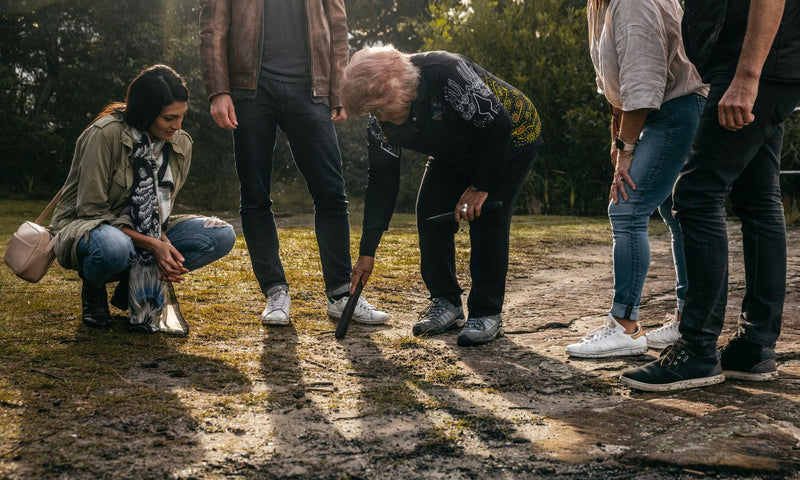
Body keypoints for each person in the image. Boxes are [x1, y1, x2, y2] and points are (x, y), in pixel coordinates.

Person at [621, 0, 800, 391]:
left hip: (754, 64)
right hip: (758, 62)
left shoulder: (751, 67)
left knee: (696, 193)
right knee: (757, 198)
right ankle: (754, 347)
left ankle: (698, 350)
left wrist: (748, 76)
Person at [198, 0, 388, 327]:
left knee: (331, 193)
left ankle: (341, 294)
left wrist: (338, 89)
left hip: (309, 88)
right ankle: (275, 292)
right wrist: (218, 90)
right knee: (255, 195)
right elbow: (213, 26)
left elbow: (338, 28)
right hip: (249, 87)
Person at [341, 46, 543, 346]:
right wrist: (366, 253)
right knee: (430, 213)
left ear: (398, 88)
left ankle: (487, 313)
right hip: (455, 150)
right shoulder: (380, 123)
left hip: (510, 137)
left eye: (379, 109)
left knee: (486, 216)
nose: (377, 118)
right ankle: (446, 302)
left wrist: (479, 186)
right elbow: (382, 183)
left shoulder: (445, 72)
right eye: (372, 112)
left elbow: (497, 125)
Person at [564, 0, 708, 358]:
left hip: (674, 111)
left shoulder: (632, 3)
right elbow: (616, 78)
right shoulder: (602, 5)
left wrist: (626, 149)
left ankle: (625, 327)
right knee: (675, 214)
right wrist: (619, 136)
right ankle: (686, 321)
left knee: (626, 209)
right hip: (665, 112)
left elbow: (643, 85)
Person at [49, 65, 236, 329]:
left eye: (181, 117)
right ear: (146, 112)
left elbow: (161, 206)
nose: (177, 126)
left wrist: (161, 238)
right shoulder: (106, 134)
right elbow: (91, 212)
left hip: (146, 227)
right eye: (169, 118)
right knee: (113, 247)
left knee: (221, 235)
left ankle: (130, 287)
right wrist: (153, 243)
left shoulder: (181, 143)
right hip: (91, 227)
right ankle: (93, 290)